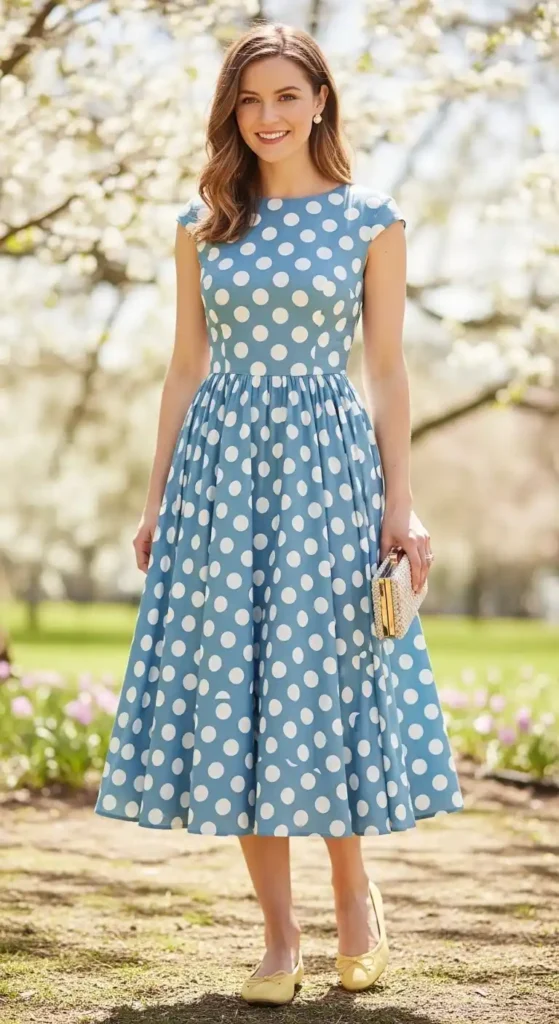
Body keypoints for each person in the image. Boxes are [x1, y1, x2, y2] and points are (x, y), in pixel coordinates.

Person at [94, 21, 464, 1007]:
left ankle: (354, 898)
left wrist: (402, 503)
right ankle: (276, 934)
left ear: (320, 103)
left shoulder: (370, 219)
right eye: (248, 100)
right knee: (237, 693)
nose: (266, 117)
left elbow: (386, 373)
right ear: (231, 110)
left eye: (285, 97)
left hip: (328, 471)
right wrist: (157, 493)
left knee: (320, 682)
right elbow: (185, 366)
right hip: (220, 473)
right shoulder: (203, 220)